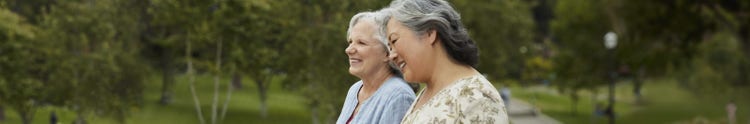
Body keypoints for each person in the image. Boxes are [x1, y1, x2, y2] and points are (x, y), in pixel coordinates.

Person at [383, 0, 508, 123]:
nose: (391, 55)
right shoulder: (427, 93)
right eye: (389, 47)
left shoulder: (475, 97)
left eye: (394, 41)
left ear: (430, 33)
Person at [336, 10, 416, 124]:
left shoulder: (398, 97)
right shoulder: (355, 90)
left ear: (387, 52)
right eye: (350, 42)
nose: (349, 50)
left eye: (361, 43)